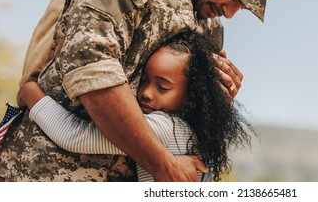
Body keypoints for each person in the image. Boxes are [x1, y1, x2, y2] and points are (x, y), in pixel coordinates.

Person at [0, 0, 288, 182]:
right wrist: (163, 165)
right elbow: (93, 72)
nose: (231, 12)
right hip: (53, 174)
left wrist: (217, 99)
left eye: (243, 7)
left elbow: (180, 125)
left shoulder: (209, 28)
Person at [18, 32, 253, 182]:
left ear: (191, 98)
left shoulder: (165, 127)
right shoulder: (195, 131)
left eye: (162, 87)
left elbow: (74, 135)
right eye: (145, 80)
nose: (146, 93)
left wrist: (30, 91)